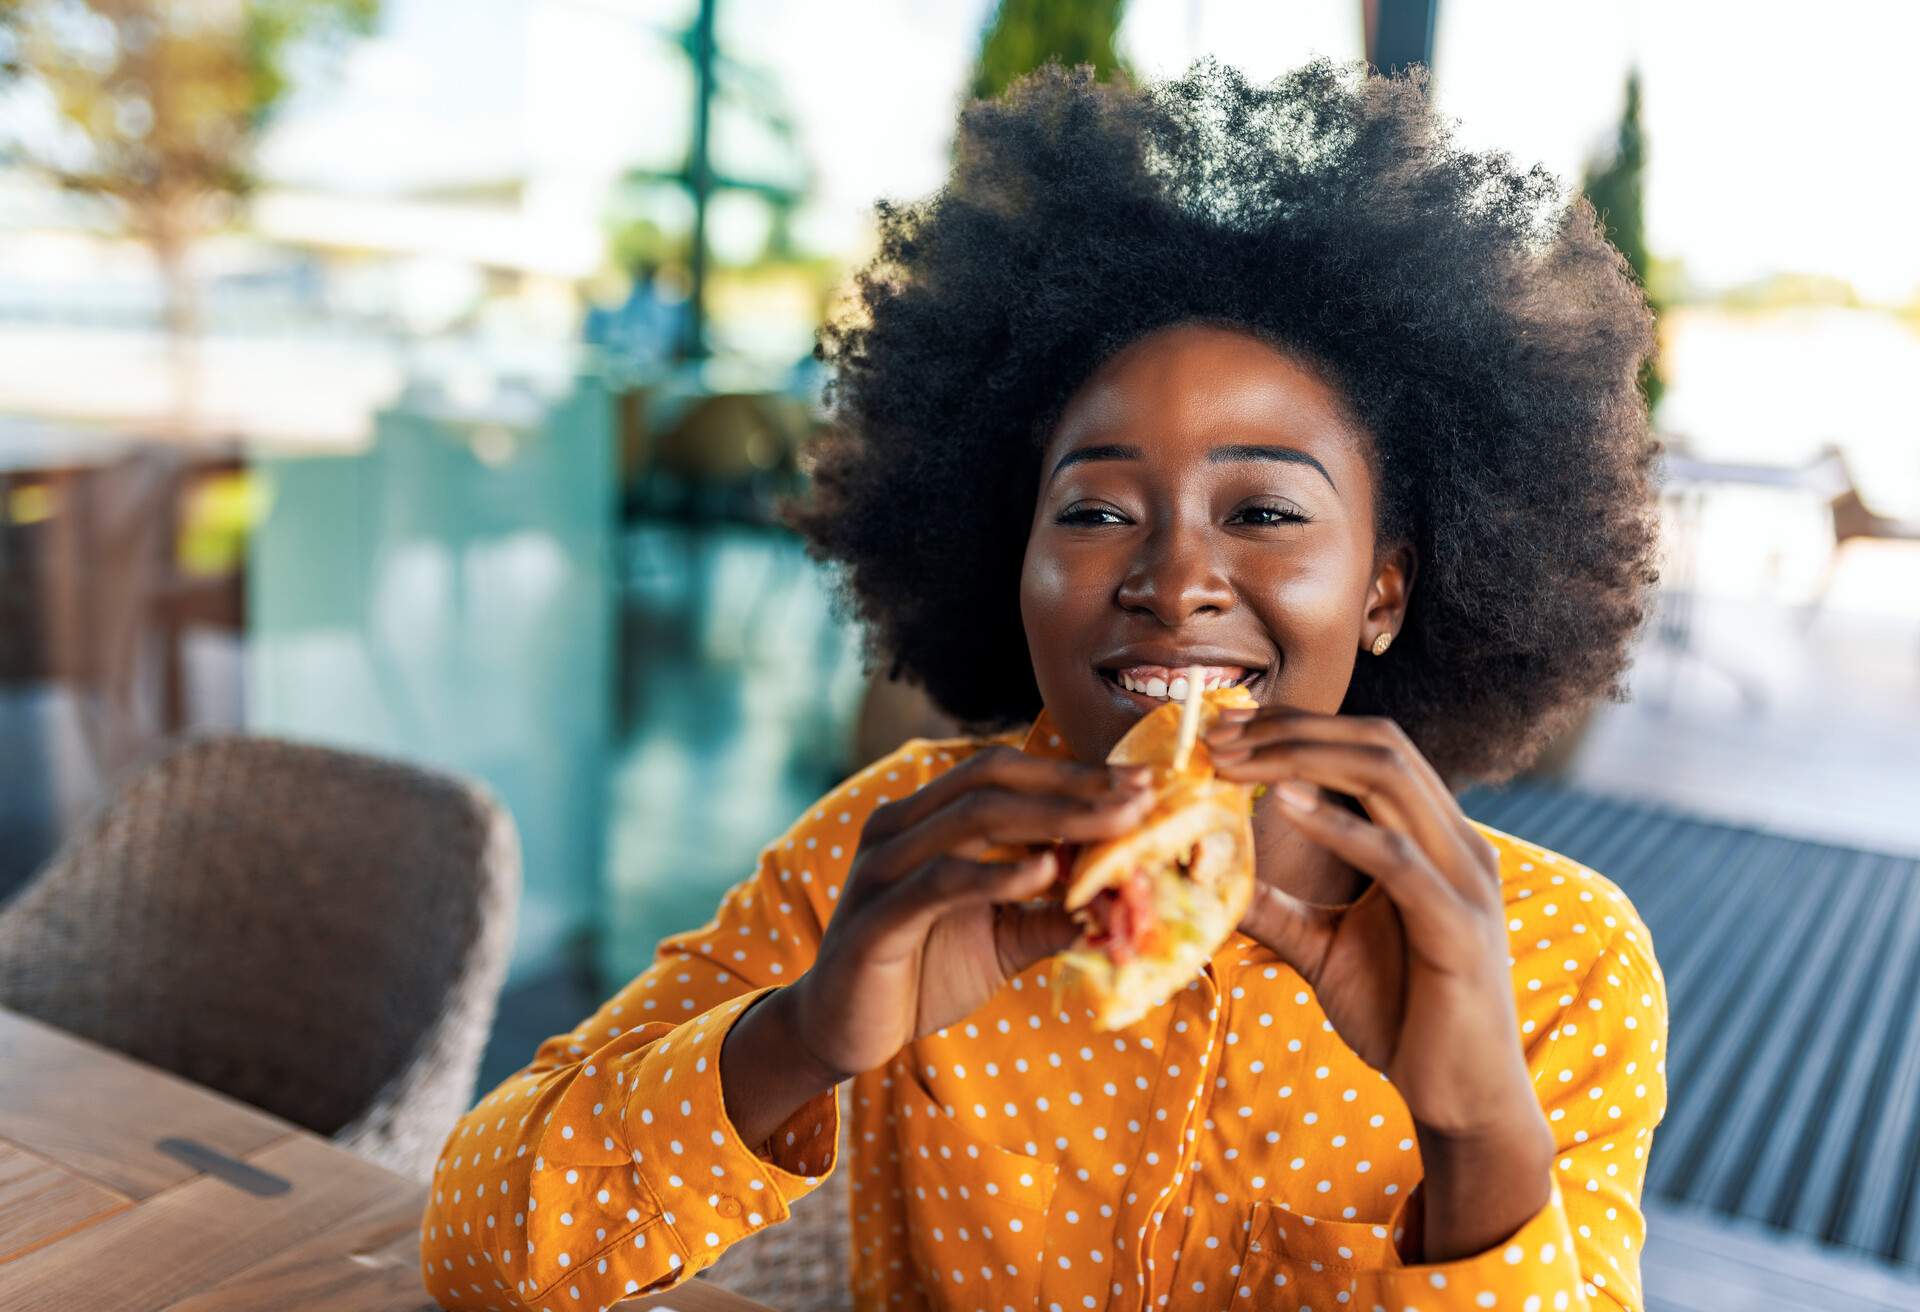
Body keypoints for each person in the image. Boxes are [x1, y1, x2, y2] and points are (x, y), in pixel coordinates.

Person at [421, 58, 1667, 1311]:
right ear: (1009, 559)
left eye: (1268, 509)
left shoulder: (1561, 964)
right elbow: (475, 1257)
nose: (1176, 578)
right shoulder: (893, 856)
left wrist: (1476, 1131)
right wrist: (797, 1037)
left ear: (1384, 592)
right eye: (1096, 509)